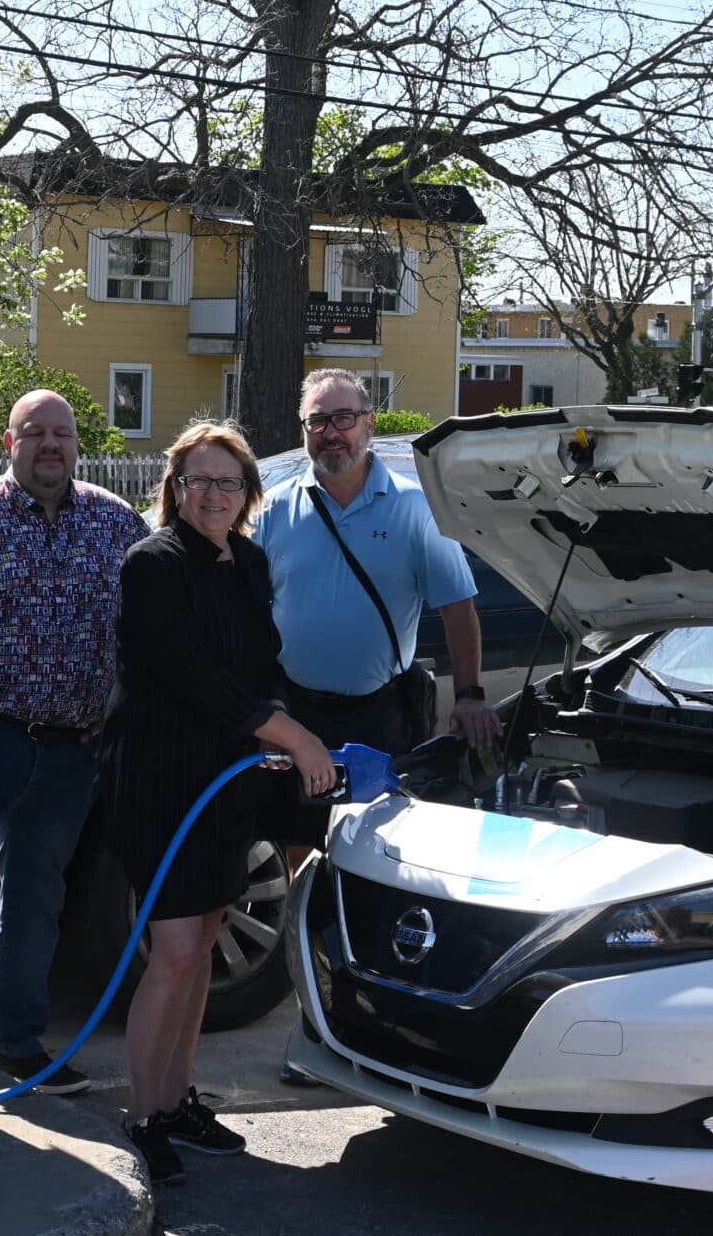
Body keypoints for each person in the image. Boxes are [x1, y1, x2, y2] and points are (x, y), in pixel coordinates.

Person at [105, 421, 335, 1184]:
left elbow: (259, 663)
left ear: (247, 495)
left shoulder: (250, 559)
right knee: (173, 952)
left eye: (227, 482)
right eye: (198, 480)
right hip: (163, 777)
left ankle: (177, 1100)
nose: (212, 493)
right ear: (174, 487)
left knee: (204, 941)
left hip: (225, 777)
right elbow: (194, 677)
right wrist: (292, 735)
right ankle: (140, 1115)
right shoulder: (152, 563)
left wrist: (290, 730)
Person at [254, 368, 490, 1085]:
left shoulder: (415, 507)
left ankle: (377, 1028)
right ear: (304, 432)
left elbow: (458, 608)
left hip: (380, 716)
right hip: (296, 717)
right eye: (317, 421)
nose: (332, 432)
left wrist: (473, 693)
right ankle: (313, 1024)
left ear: (369, 424)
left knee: (378, 874)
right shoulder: (273, 509)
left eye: (343, 418)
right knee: (302, 870)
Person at [0, 390, 146, 1093]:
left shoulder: (117, 524)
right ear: (8, 441)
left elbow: (144, 633)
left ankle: (15, 1042)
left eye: (63, 433)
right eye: (36, 433)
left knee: (37, 894)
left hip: (67, 750)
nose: (51, 444)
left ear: (78, 445)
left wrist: (115, 707)